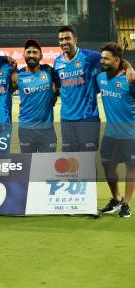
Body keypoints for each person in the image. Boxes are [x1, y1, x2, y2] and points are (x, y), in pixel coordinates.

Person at [54, 26, 134, 152]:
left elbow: (114, 60)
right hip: (66, 119)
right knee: (69, 161)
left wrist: (129, 67)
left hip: (88, 117)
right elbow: (59, 84)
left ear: (75, 40)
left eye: (67, 38)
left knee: (88, 162)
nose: (64, 42)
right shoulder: (57, 62)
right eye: (61, 39)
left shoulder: (89, 57)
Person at [96, 43, 133, 218]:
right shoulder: (100, 78)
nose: (102, 60)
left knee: (131, 168)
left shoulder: (130, 79)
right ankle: (116, 198)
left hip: (130, 134)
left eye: (106, 58)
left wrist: (128, 67)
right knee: (107, 165)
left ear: (117, 60)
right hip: (110, 134)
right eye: (101, 57)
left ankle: (126, 203)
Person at [10, 39, 58, 153]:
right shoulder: (17, 76)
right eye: (29, 52)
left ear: (41, 56)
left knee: (48, 166)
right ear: (24, 55)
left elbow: (61, 86)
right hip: (26, 130)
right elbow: (3, 96)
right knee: (28, 166)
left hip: (47, 130)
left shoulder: (49, 71)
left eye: (35, 52)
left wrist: (55, 94)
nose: (31, 55)